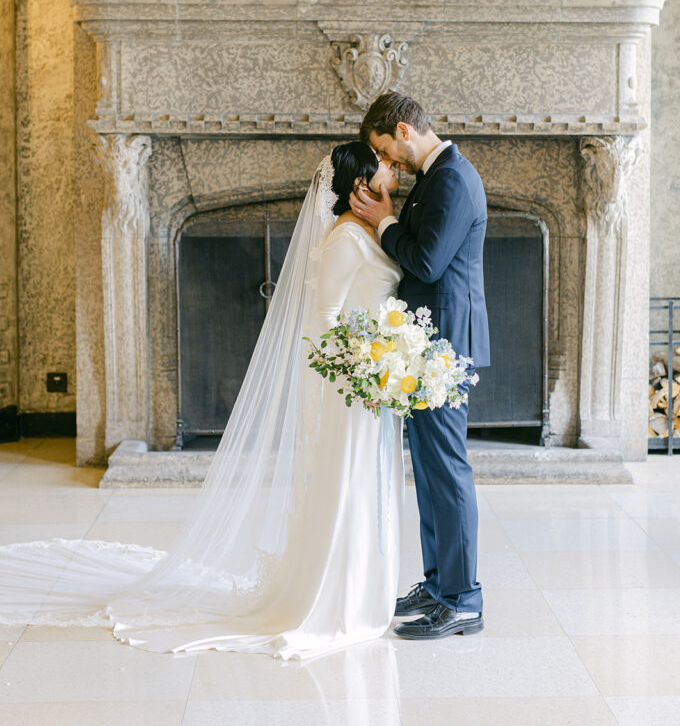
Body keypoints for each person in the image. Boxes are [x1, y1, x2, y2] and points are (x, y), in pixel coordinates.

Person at [0, 142, 405, 661]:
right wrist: (362, 372)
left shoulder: (369, 227)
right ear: (360, 185)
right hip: (353, 387)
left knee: (360, 487)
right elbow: (323, 319)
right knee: (347, 486)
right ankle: (335, 598)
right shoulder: (347, 237)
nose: (393, 170)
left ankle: (358, 589)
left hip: (368, 384)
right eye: (385, 166)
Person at [350, 91, 490, 640]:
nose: (388, 161)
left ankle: (463, 599)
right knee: (430, 471)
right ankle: (438, 586)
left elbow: (428, 262)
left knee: (447, 470)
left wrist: (384, 222)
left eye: (386, 148)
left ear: (404, 131)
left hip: (445, 347)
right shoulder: (437, 177)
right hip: (428, 344)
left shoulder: (453, 178)